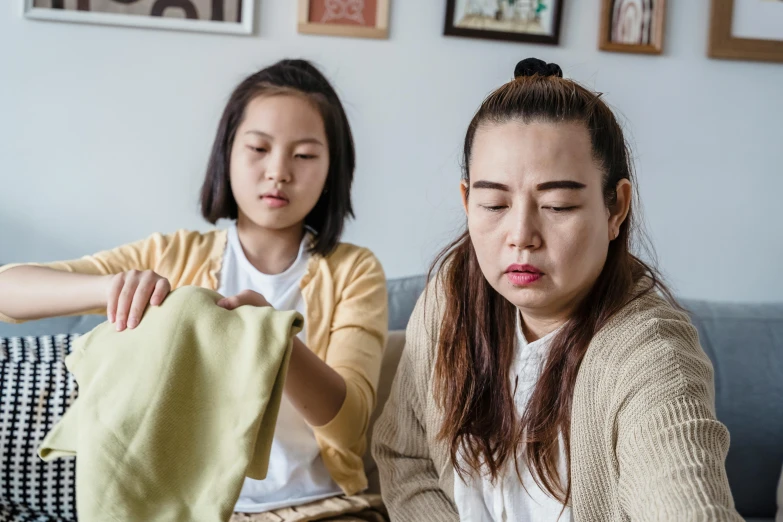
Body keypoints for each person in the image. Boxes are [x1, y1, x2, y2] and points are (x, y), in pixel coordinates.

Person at [0, 59, 388, 520]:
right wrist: (113, 287)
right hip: (184, 507)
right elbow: (9, 291)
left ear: (332, 169)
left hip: (319, 507)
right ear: (227, 154)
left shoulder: (354, 270)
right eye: (259, 148)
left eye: (304, 155)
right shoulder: (172, 254)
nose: (279, 171)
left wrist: (273, 338)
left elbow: (350, 427)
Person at [372, 58, 741, 521]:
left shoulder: (651, 356)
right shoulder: (450, 299)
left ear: (615, 208)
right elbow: (406, 459)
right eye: (494, 203)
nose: (521, 234)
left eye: (557, 205)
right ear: (467, 202)